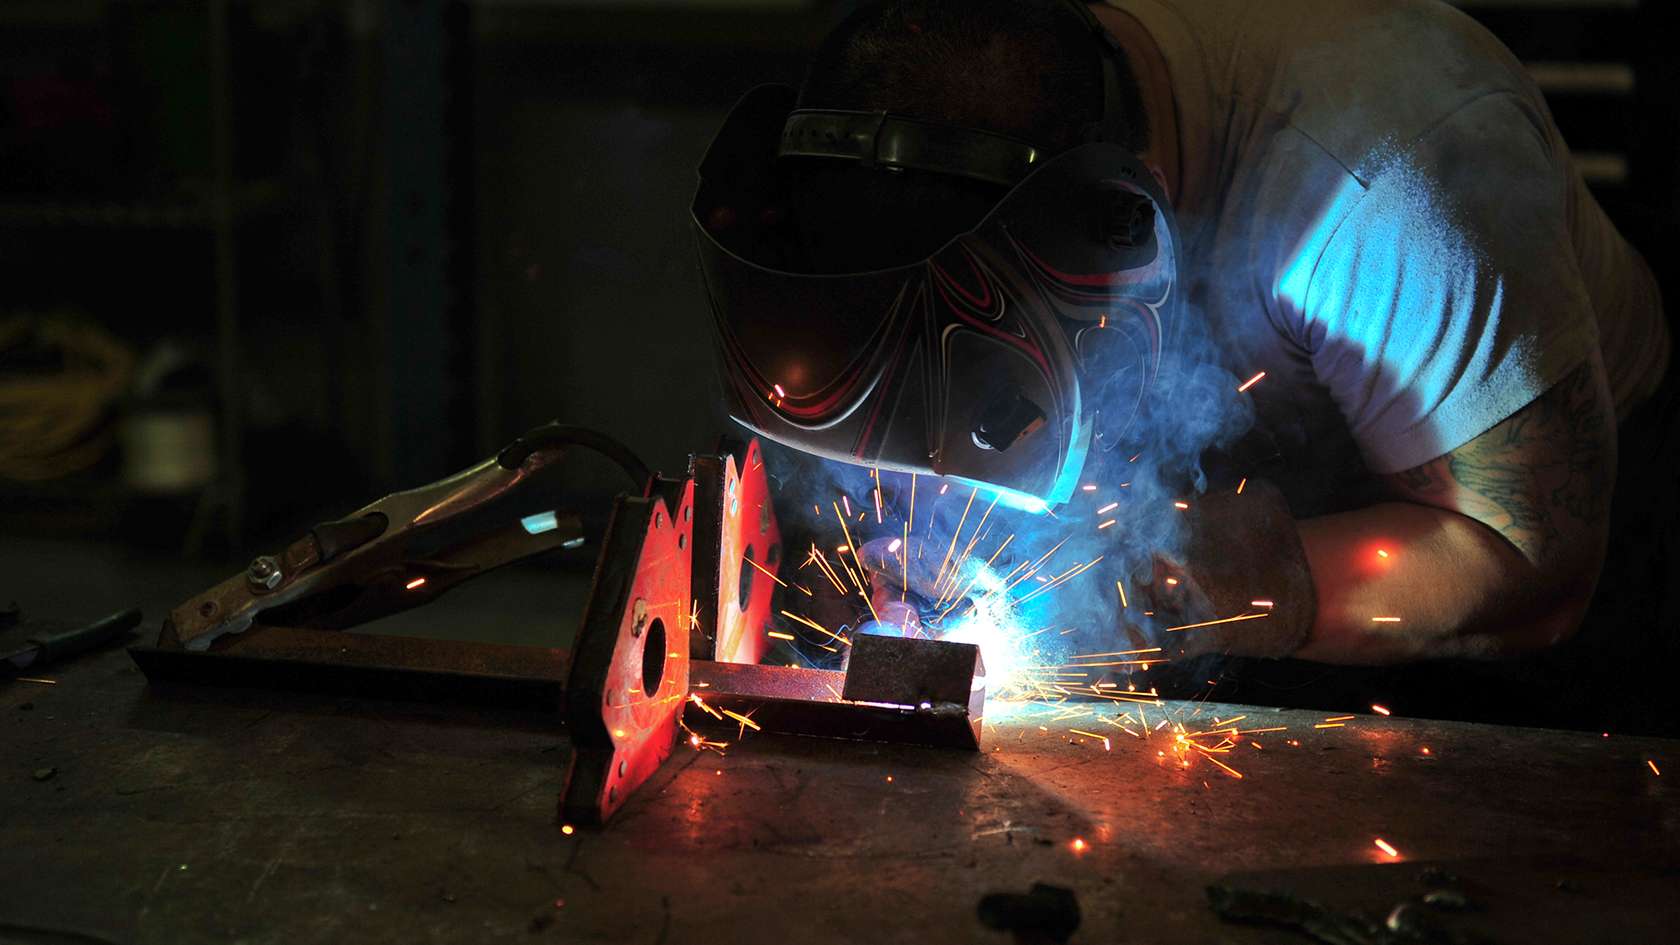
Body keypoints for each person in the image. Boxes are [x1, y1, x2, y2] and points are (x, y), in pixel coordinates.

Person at [689, 0, 1673, 728]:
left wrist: (1196, 592)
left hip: (1552, 566)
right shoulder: (1034, 118)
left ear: (1112, 229)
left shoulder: (1385, 188)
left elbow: (1536, 570)